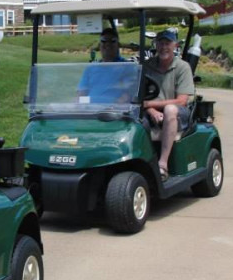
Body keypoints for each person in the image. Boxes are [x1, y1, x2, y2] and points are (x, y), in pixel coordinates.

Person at [142, 27, 194, 181]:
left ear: (175, 46)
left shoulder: (182, 67)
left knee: (170, 110)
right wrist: (151, 109)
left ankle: (162, 164)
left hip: (179, 113)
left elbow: (182, 101)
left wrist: (150, 104)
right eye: (160, 43)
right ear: (156, 45)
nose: (164, 47)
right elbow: (139, 97)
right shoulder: (147, 66)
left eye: (168, 43)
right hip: (150, 111)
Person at [77, 25, 133, 103]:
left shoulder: (127, 67)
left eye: (112, 41)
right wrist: (82, 106)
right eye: (103, 41)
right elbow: (82, 93)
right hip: (91, 111)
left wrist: (112, 109)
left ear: (118, 45)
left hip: (114, 112)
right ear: (99, 45)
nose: (107, 44)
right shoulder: (91, 68)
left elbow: (128, 94)